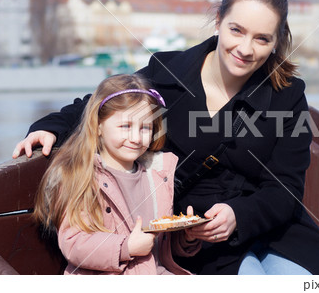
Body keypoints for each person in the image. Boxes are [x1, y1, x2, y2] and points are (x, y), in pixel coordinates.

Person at [14, 0, 319, 275]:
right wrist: (51, 126)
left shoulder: (286, 95)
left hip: (275, 231)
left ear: (277, 41)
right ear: (218, 22)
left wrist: (238, 215)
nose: (245, 49)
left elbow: (286, 190)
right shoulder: (168, 71)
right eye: (236, 30)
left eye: (262, 39)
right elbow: (104, 104)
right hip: (196, 239)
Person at [33, 74, 200, 275]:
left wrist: (186, 238)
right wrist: (125, 247)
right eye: (125, 126)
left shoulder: (156, 175)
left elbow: (157, 247)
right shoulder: (83, 176)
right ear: (98, 126)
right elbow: (75, 243)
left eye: (145, 128)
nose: (136, 138)